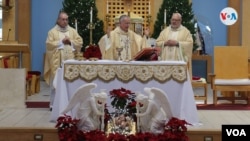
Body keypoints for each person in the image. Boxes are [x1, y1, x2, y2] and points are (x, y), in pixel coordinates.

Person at [44, 11, 83, 110]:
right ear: (58, 20)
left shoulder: (72, 31)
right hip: (57, 61)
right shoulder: (52, 32)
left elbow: (79, 42)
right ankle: (53, 105)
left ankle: (69, 103)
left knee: (70, 82)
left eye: (66, 19)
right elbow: (49, 44)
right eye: (63, 19)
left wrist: (70, 41)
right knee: (55, 83)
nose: (65, 21)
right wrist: (61, 42)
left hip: (70, 61)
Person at [155, 12, 193, 78]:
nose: (174, 22)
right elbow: (158, 42)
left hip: (178, 63)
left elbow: (190, 43)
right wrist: (165, 43)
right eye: (173, 19)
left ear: (180, 21)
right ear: (170, 20)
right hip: (165, 62)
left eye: (176, 20)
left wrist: (177, 43)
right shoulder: (165, 31)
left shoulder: (185, 32)